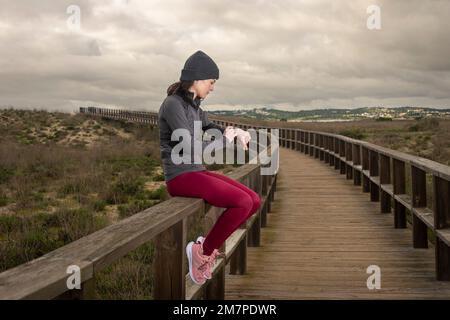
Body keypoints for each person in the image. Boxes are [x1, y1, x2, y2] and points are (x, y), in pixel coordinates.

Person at [158, 50, 261, 285]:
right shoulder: (173, 105)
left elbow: (213, 127)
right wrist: (224, 141)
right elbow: (188, 146)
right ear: (199, 79)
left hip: (196, 171)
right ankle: (202, 253)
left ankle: (204, 246)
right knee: (242, 202)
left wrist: (235, 133)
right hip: (180, 176)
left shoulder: (195, 107)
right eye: (212, 82)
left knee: (253, 200)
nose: (213, 88)